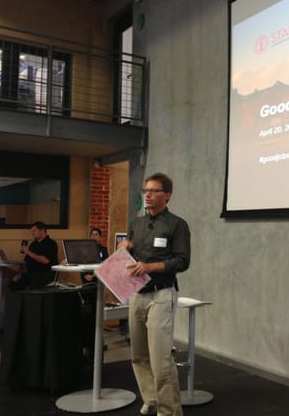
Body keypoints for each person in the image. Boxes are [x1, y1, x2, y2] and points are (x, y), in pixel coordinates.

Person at [120, 173, 190, 416]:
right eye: (145, 190)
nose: (147, 194)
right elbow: (129, 257)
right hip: (136, 295)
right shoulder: (136, 224)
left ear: (167, 195)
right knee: (139, 356)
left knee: (161, 360)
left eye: (154, 190)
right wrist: (124, 249)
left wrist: (150, 267)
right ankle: (151, 400)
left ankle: (169, 411)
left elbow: (182, 261)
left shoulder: (177, 225)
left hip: (161, 295)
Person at [9, 221, 58, 291]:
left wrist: (28, 252)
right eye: (32, 231)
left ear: (42, 230)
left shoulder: (51, 243)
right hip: (31, 274)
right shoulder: (33, 244)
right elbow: (26, 262)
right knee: (12, 283)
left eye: (34, 231)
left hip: (44, 274)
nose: (32, 233)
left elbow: (45, 260)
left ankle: (32, 294)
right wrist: (19, 274)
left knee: (23, 283)